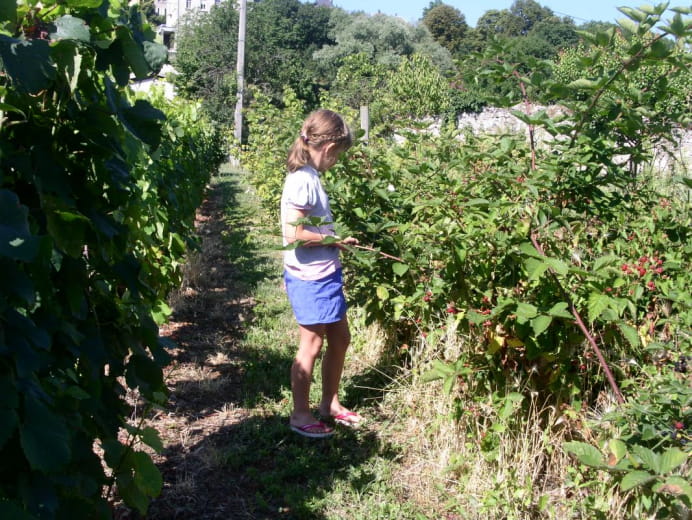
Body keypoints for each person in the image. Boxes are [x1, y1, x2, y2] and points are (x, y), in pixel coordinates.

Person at [280, 109, 363, 438]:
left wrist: (335, 244)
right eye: (339, 155)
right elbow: (293, 233)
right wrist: (333, 240)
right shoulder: (303, 180)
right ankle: (300, 414)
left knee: (340, 339)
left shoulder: (311, 177)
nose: (337, 161)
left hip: (324, 273)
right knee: (311, 345)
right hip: (310, 277)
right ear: (329, 149)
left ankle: (329, 403)